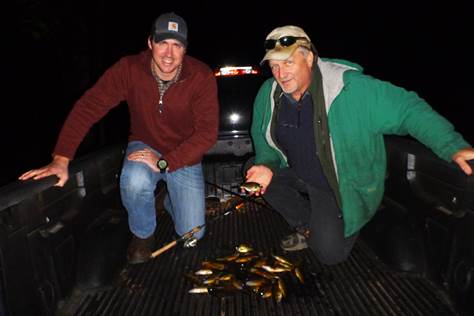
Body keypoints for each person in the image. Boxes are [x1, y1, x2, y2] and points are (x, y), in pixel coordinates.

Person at [245, 25, 474, 265]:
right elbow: (262, 137)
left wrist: (451, 145)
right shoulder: (268, 93)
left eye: (288, 63)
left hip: (335, 183)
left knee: (329, 255)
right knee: (254, 173)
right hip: (300, 171)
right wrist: (266, 164)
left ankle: (349, 215)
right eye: (274, 66)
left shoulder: (351, 89)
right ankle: (306, 225)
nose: (281, 74)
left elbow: (408, 109)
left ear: (309, 57)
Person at [19, 12, 219, 264]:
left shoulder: (200, 76)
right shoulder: (129, 69)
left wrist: (165, 162)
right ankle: (143, 233)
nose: (168, 54)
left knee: (193, 234)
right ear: (150, 43)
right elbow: (88, 107)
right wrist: (61, 158)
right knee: (134, 180)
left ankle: (168, 200)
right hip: (145, 144)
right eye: (162, 43)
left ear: (185, 49)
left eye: (176, 45)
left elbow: (207, 133)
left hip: (184, 154)